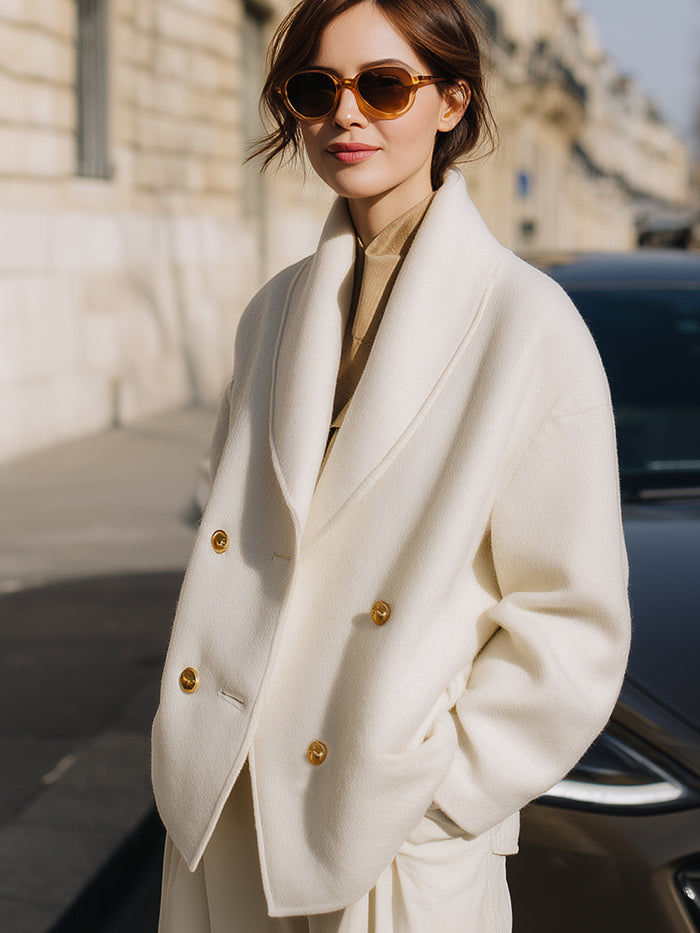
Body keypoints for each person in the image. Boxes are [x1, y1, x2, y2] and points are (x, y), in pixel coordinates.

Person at [152, 0, 631, 930]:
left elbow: (571, 617)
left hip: (387, 836)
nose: (347, 115)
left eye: (383, 85)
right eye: (314, 89)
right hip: (230, 810)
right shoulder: (273, 312)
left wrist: (440, 791)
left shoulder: (526, 325)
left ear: (452, 101)